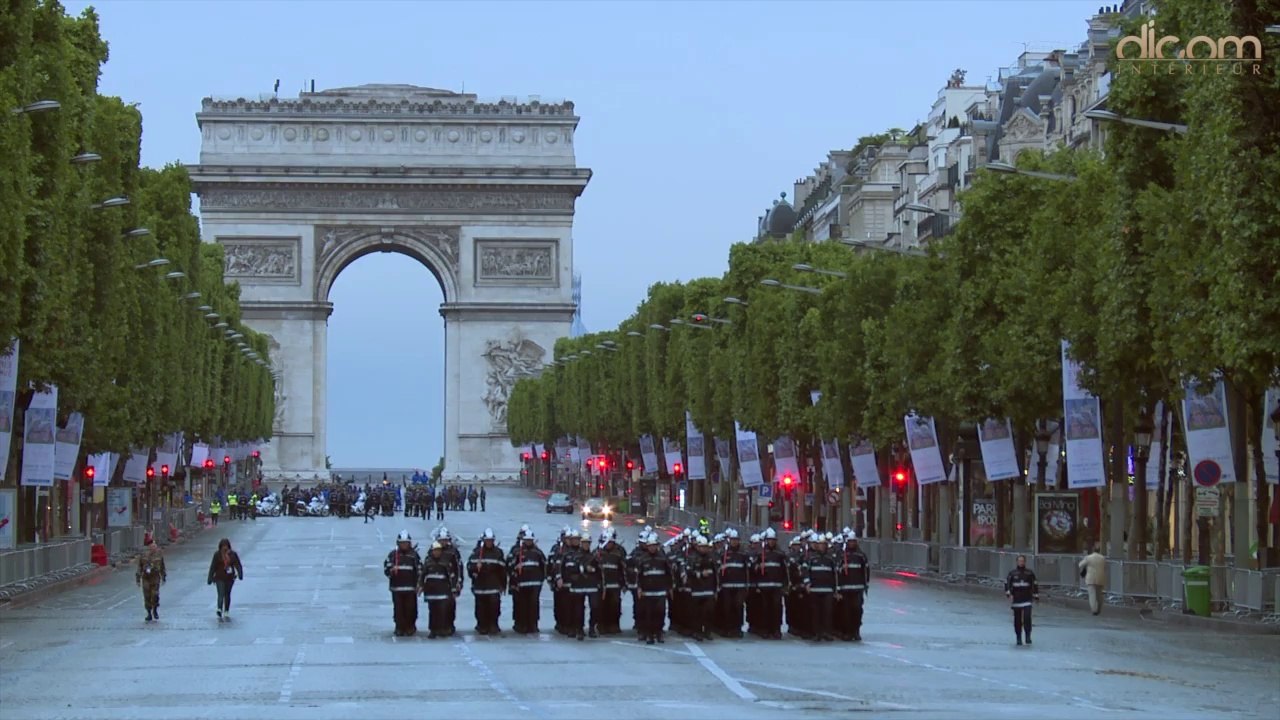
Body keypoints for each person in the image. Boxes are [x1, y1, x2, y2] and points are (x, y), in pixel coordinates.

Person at [468, 528, 507, 635]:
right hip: (480, 586)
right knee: (481, 608)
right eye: (487, 540)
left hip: (493, 586)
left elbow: (503, 570)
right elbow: (470, 570)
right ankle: (482, 625)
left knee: (494, 607)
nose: (489, 542)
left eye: (491, 540)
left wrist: (503, 585)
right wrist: (476, 568)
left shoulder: (498, 553)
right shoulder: (476, 553)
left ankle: (493, 624)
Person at [384, 530, 422, 636]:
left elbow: (419, 569)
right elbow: (386, 569)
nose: (404, 545)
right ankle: (399, 627)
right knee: (398, 609)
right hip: (397, 588)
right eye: (402, 543)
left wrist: (419, 583)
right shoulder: (393, 555)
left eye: (406, 543)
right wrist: (391, 570)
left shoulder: (414, 555)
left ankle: (410, 626)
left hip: (410, 588)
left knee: (411, 609)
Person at [420, 541, 459, 639]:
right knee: (433, 612)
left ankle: (442, 629)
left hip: (443, 592)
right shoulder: (428, 562)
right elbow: (422, 575)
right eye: (435, 551)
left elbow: (452, 576)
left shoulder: (445, 563)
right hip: (431, 592)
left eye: (438, 551)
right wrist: (420, 586)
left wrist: (453, 589)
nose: (437, 553)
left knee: (442, 611)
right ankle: (433, 630)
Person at [1004, 554, 1039, 645]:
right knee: (1017, 619)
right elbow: (1007, 584)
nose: (1021, 562)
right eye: (1019, 561)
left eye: (1022, 561)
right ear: (1017, 562)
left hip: (1027, 598)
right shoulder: (1012, 573)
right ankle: (1018, 637)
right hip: (1017, 599)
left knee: (1027, 617)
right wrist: (1009, 593)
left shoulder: (1029, 573)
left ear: (1025, 562)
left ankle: (1028, 636)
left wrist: (1036, 595)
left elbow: (1034, 584)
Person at [207, 538, 244, 622]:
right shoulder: (217, 555)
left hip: (229, 578)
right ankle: (219, 609)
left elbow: (238, 565)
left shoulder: (233, 555)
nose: (225, 548)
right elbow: (213, 567)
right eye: (223, 546)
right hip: (219, 578)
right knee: (221, 593)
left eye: (226, 546)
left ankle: (226, 610)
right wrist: (210, 578)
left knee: (227, 594)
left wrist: (240, 574)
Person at [135, 532, 166, 622]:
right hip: (146, 577)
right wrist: (138, 578)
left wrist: (163, 576)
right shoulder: (144, 555)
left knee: (155, 594)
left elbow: (162, 566)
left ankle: (155, 609)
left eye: (154, 546)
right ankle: (149, 612)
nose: (153, 548)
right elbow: (139, 567)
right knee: (147, 595)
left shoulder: (159, 554)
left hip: (155, 577)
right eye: (152, 546)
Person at [1078, 545, 1107, 616]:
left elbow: (1080, 565)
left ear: (1092, 551)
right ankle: (1099, 608)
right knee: (1099, 595)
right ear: (1099, 551)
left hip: (1091, 578)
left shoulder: (1088, 558)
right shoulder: (1102, 558)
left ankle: (1094, 610)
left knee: (1092, 595)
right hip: (1100, 577)